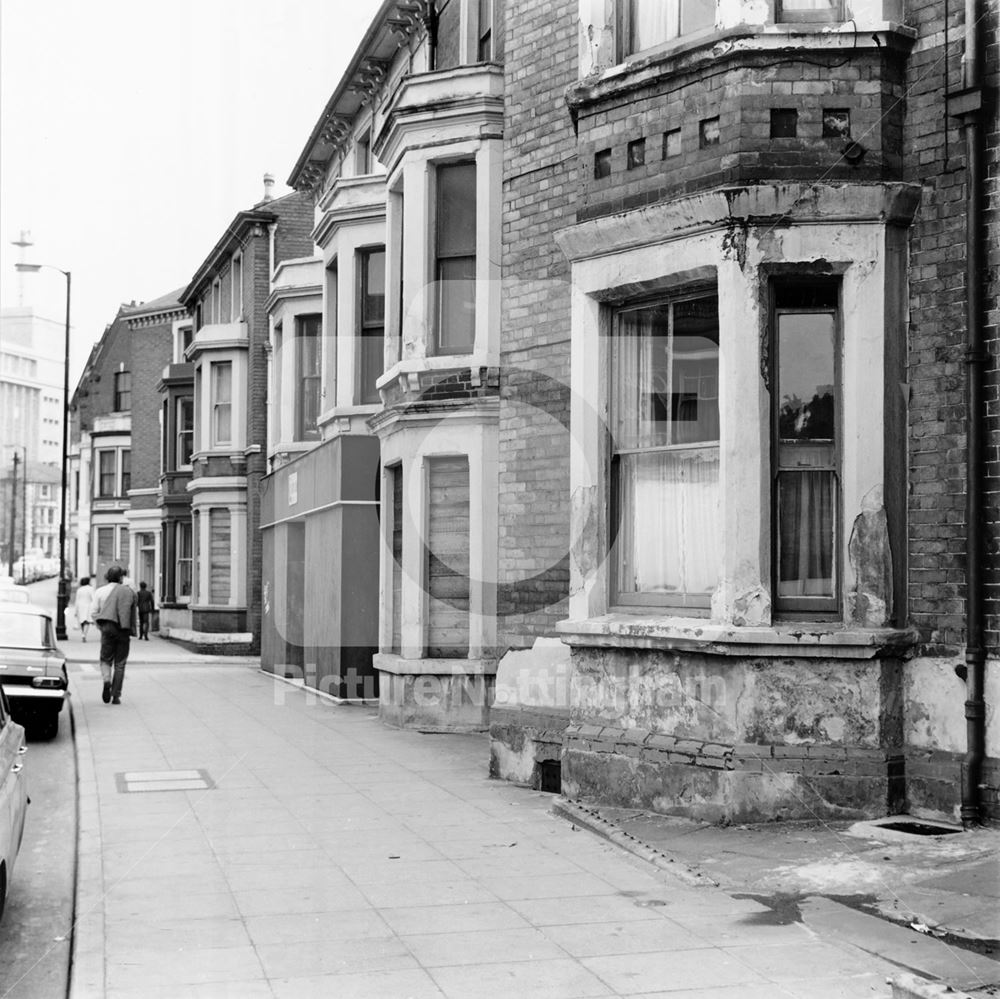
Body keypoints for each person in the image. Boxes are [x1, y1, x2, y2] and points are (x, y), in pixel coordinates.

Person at [92, 566, 137, 705]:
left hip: (107, 629)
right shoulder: (128, 592)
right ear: (121, 578)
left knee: (105, 659)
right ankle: (116, 695)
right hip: (123, 630)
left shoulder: (100, 592)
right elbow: (132, 612)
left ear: (107, 577)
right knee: (120, 664)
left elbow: (94, 613)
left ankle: (106, 680)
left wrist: (101, 627)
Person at [73, 576, 95, 642]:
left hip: (80, 606)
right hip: (88, 606)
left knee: (82, 621)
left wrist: (75, 610)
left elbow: (77, 600)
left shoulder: (79, 589)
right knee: (87, 621)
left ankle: (83, 633)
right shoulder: (91, 589)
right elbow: (94, 598)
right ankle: (84, 634)